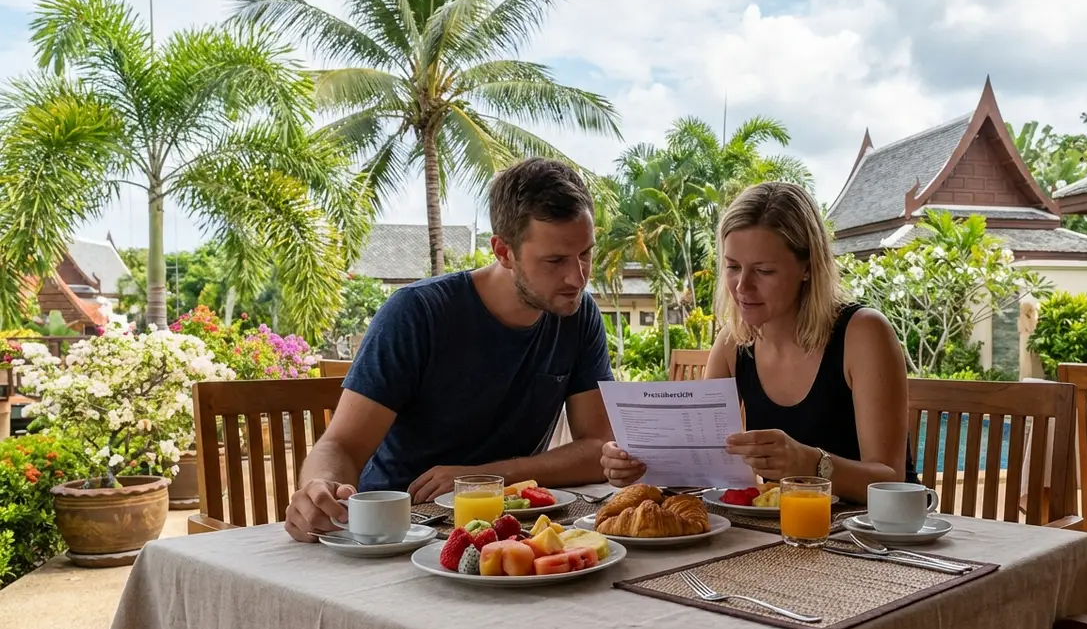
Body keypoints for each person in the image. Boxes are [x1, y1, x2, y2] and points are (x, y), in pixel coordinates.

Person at [284, 157, 615, 542]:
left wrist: (480, 479)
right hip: (400, 526)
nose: (577, 277)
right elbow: (341, 444)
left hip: (507, 526)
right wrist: (321, 488)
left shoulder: (576, 313)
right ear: (503, 252)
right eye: (555, 260)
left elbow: (596, 450)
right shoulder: (418, 313)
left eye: (586, 254)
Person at [600, 181, 916, 504]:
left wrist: (810, 464)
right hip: (784, 533)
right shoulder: (733, 344)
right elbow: (704, 467)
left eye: (763, 271)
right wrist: (636, 463)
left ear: (807, 267)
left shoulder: (863, 334)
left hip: (873, 536)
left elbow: (891, 479)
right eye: (733, 267)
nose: (742, 287)